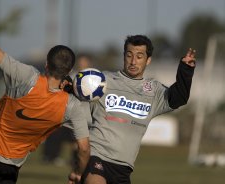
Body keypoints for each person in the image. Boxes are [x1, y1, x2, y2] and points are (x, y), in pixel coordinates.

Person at [0, 0, 89, 184]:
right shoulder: (72, 106)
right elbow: (84, 148)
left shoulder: (26, 77)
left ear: (46, 64)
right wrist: (78, 172)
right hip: (7, 168)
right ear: (69, 71)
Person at [80, 35, 196, 184]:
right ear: (124, 56)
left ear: (148, 60)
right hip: (96, 156)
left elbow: (179, 97)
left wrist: (185, 70)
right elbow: (77, 92)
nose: (133, 61)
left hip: (124, 167)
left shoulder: (154, 91)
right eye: (129, 55)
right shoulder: (103, 81)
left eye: (139, 56)